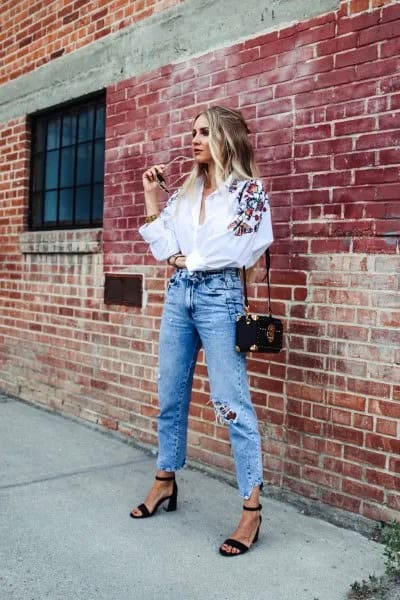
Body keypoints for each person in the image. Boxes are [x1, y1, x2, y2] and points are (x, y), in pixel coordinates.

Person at [130, 105, 274, 557]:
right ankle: (164, 480)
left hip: (220, 298)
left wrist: (181, 258)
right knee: (170, 394)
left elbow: (231, 246)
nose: (193, 139)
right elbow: (164, 244)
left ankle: (251, 508)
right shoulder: (187, 192)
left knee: (232, 403)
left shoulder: (248, 192)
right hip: (179, 297)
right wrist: (153, 199)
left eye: (204, 132)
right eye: (192, 131)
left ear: (226, 138)